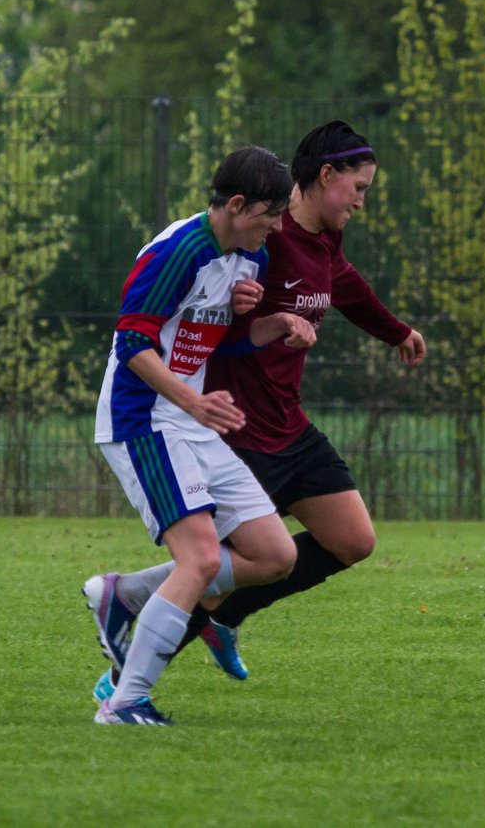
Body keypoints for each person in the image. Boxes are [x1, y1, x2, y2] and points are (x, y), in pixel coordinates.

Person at [84, 121, 426, 699]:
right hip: (231, 425)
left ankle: (207, 618)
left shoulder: (305, 242)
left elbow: (337, 287)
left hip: (287, 423)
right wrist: (207, 380)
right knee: (207, 568)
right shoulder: (252, 236)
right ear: (325, 176)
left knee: (349, 540)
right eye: (359, 187)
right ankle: (124, 687)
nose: (364, 201)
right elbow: (167, 330)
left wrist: (394, 332)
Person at [86, 144, 317, 725]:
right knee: (201, 560)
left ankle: (127, 595)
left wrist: (275, 325)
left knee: (274, 554)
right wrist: (193, 400)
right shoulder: (178, 251)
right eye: (269, 214)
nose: (276, 226)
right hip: (144, 420)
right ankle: (125, 702)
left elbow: (226, 340)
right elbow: (132, 343)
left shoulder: (249, 259)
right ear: (237, 205)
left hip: (191, 420)